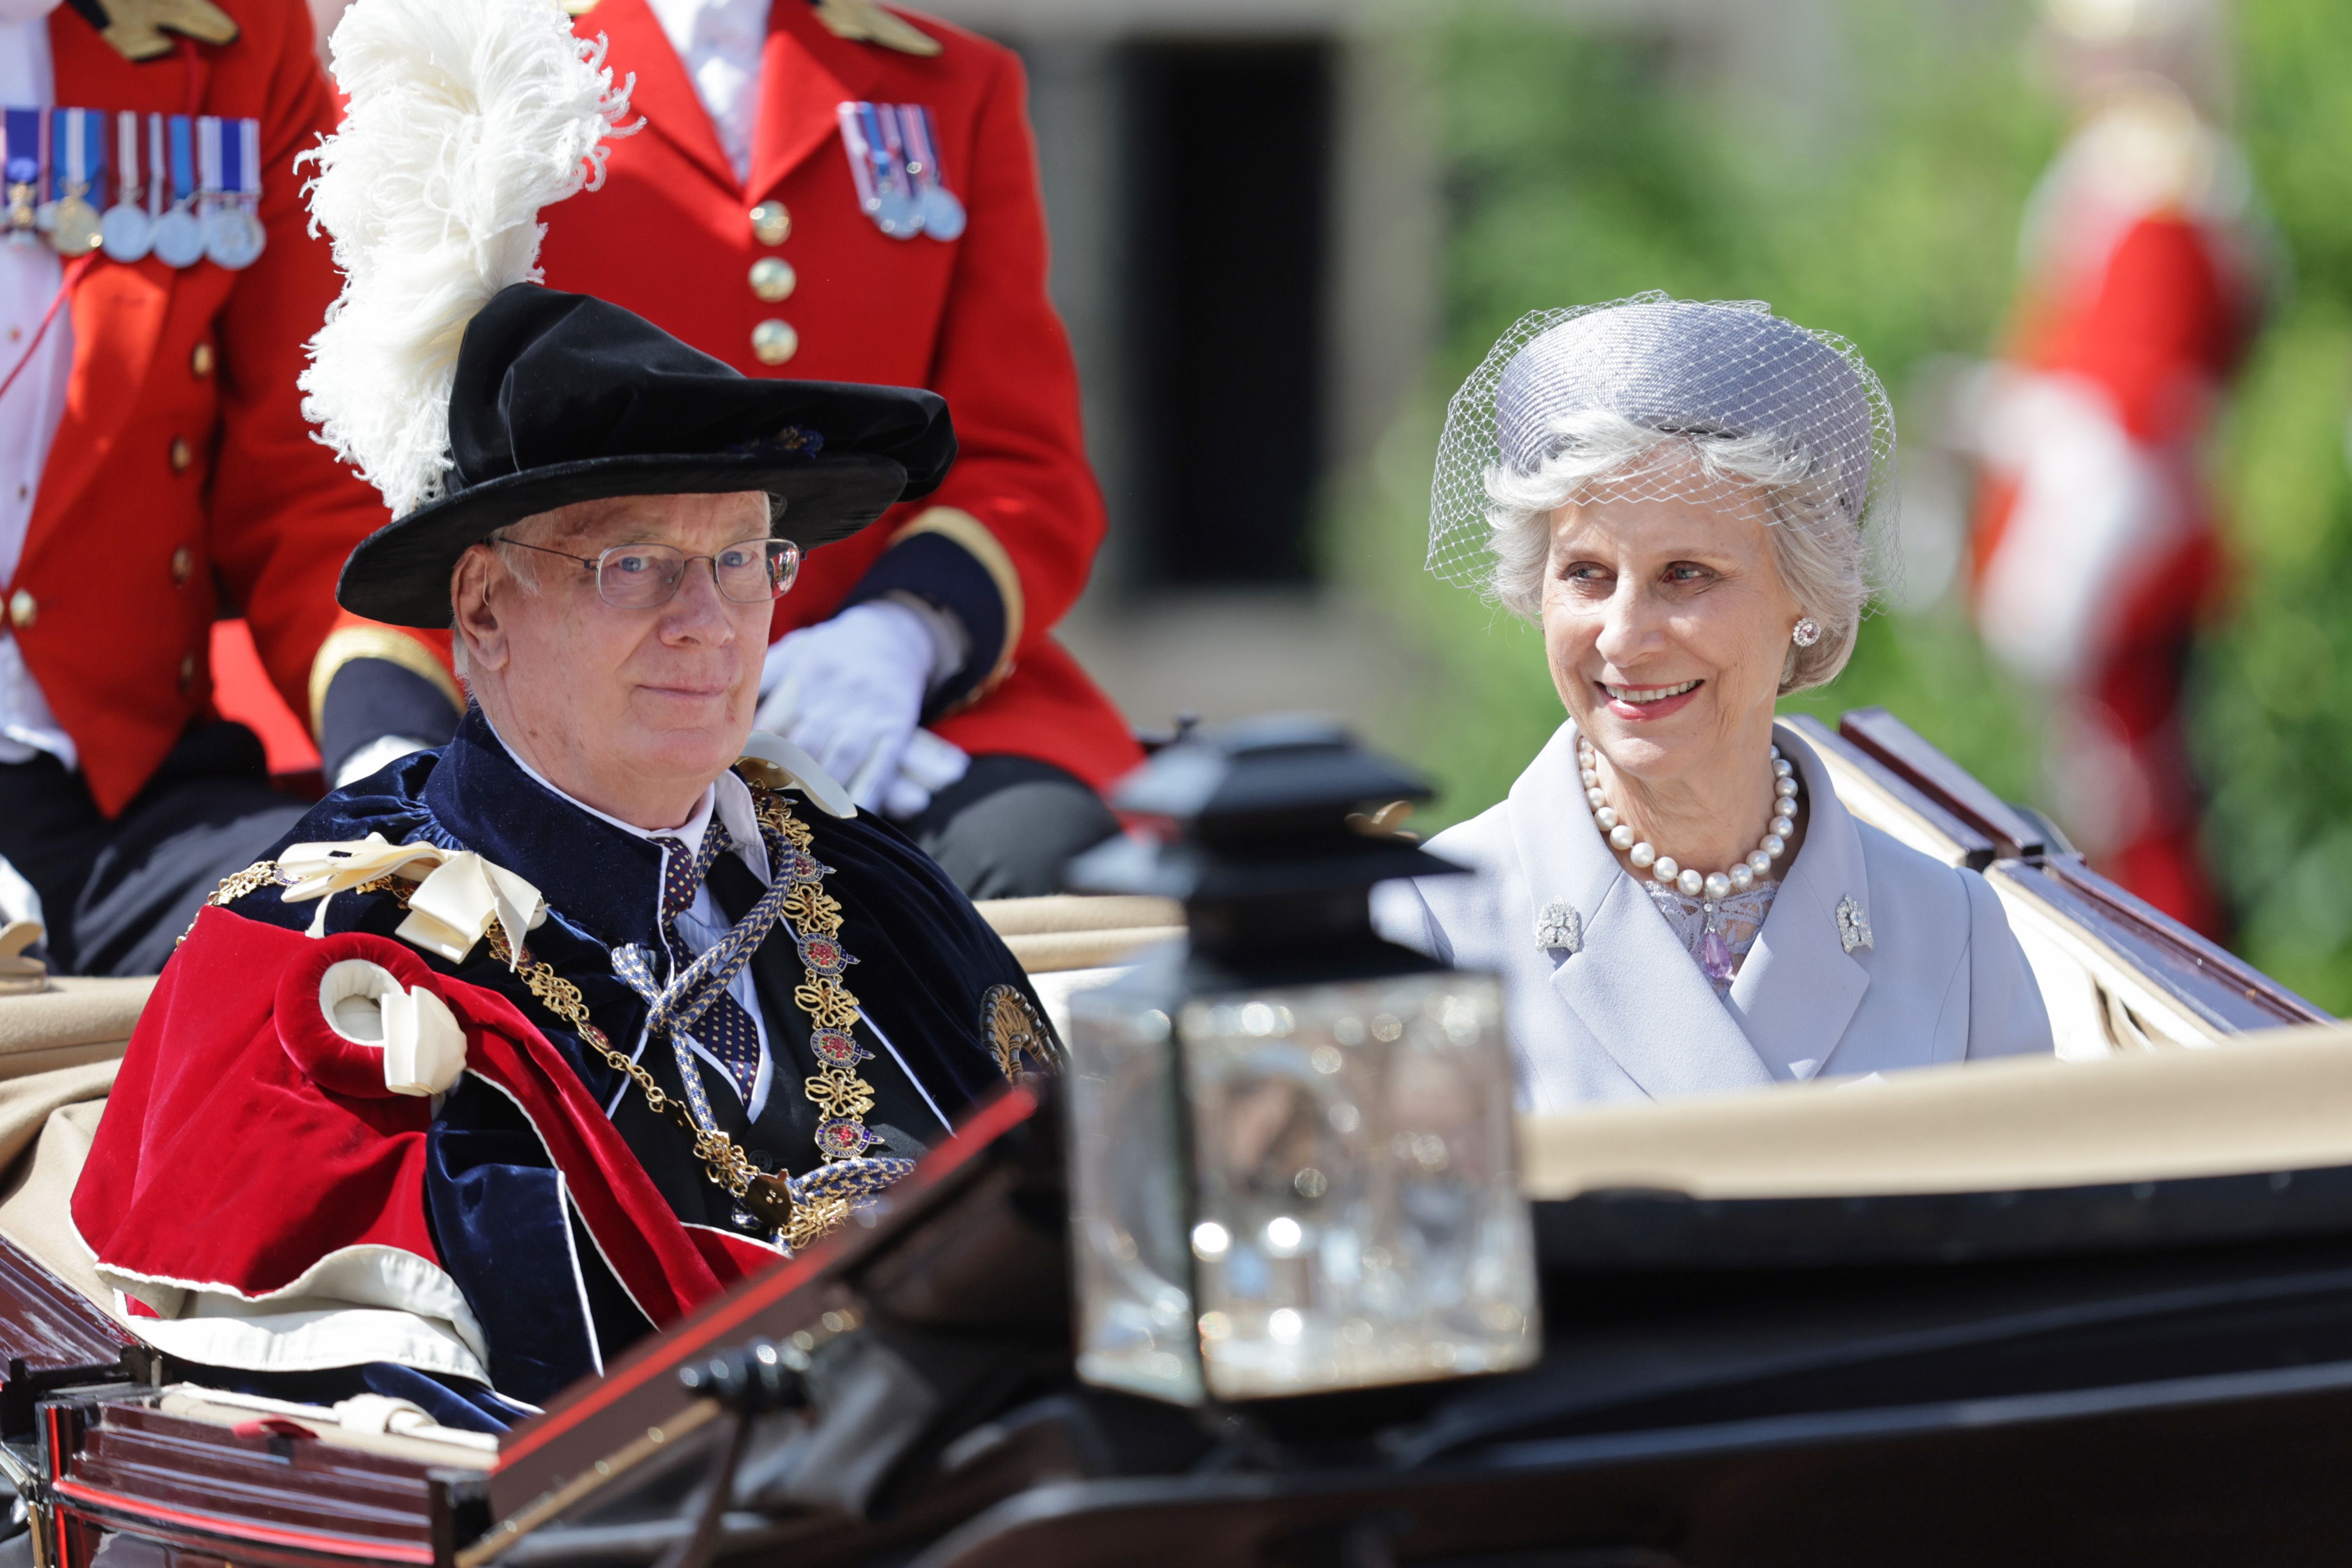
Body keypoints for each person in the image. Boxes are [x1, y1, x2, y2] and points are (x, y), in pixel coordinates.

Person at [71, 0, 1052, 1419]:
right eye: (632, 564)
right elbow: (397, 1464)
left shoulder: (878, 896)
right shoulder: (318, 965)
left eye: (739, 560)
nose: (706, 622)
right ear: (478, 611)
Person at [520, 0, 1142, 897]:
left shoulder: (950, 81)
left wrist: (902, 633)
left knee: (1049, 854)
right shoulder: (483, 57)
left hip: (883, 694)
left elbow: (1021, 461)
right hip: (590, 687)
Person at [1376, 296, 2054, 1112]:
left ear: (1802, 596)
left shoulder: (1954, 936)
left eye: (1685, 575)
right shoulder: (1431, 928)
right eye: (1585, 573)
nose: (1623, 638)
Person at [0, 0, 457, 977]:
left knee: (417, 951)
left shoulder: (229, 35)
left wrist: (391, 758)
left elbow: (310, 480)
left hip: (125, 803)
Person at [1966, 0, 2268, 936]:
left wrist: (2055, 573)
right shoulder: (2153, 173)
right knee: (2110, 801)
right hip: (2115, 527)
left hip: (2115, 540)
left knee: (2134, 810)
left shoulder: (2152, 180)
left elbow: (2133, 402)